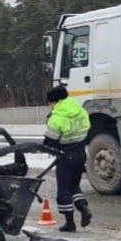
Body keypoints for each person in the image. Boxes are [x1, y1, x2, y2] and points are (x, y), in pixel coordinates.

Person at [42, 85, 92, 232]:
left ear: (55, 101)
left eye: (50, 103)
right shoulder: (81, 111)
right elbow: (88, 130)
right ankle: (83, 208)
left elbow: (49, 141)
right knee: (74, 185)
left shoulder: (57, 118)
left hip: (65, 157)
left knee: (63, 189)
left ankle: (69, 223)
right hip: (80, 154)